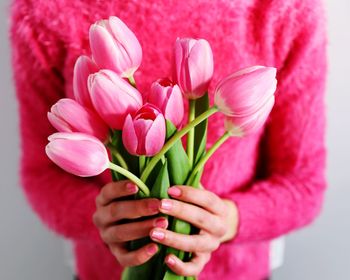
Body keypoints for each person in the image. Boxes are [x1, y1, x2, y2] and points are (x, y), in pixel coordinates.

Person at [9, 0, 327, 279]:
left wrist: (228, 220)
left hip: (239, 273)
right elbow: (42, 175)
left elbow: (303, 186)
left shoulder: (285, 9)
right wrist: (105, 222)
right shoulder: (45, 9)